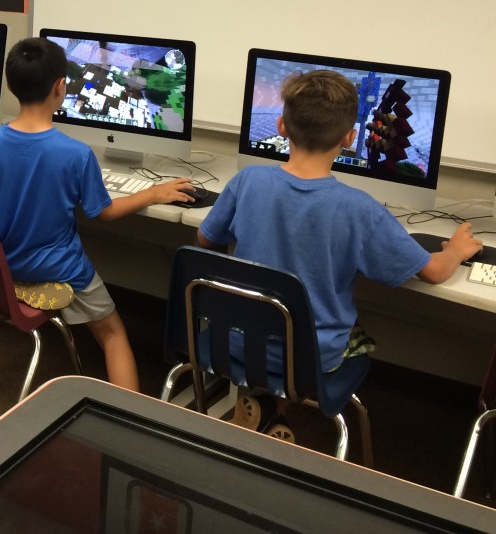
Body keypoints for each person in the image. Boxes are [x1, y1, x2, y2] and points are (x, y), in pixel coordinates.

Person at [197, 68, 482, 437]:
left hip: (233, 341)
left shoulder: (246, 181)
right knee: (342, 332)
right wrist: (455, 250)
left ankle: (271, 407)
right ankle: (274, 405)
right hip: (311, 359)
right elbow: (433, 271)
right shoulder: (360, 209)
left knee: (279, 316)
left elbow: (205, 240)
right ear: (350, 138)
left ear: (282, 126)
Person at [0, 37, 196, 393]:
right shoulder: (76, 154)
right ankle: (131, 414)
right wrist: (153, 193)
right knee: (114, 335)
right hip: (60, 270)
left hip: (5, 264)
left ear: (10, 86)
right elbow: (103, 212)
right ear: (60, 87)